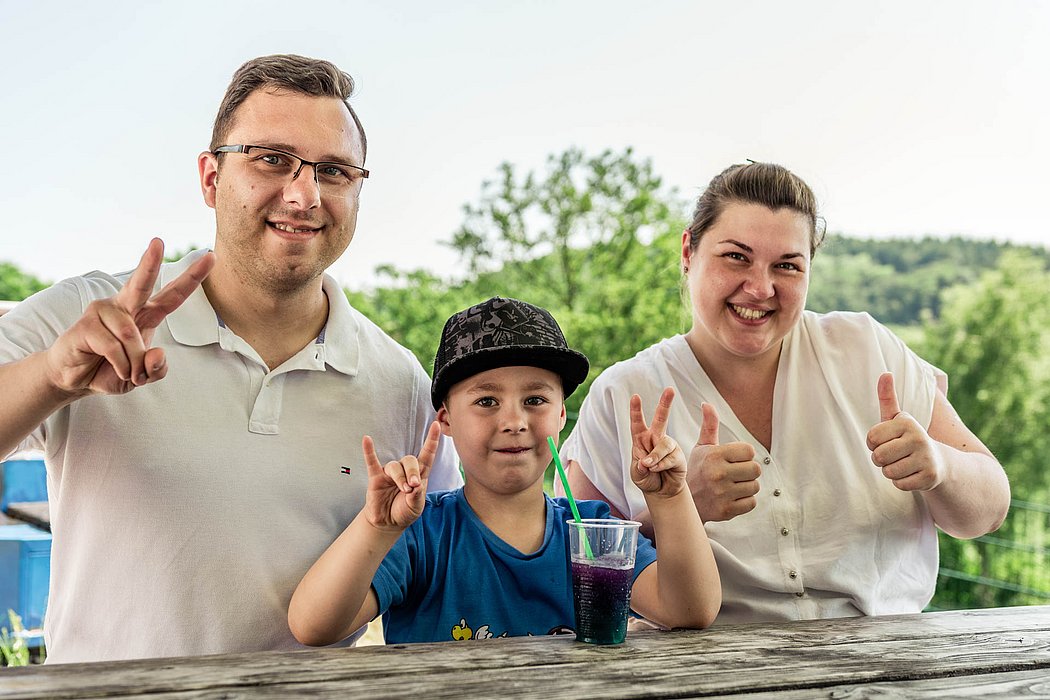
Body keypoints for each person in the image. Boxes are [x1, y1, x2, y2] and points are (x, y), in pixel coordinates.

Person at [0, 54, 462, 662]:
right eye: (271, 159)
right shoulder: (89, 315)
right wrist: (52, 378)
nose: (304, 195)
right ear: (210, 177)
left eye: (334, 170)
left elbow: (452, 549)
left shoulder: (399, 382)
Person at [558, 161, 1010, 624]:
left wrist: (940, 465)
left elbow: (988, 512)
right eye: (736, 256)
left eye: (787, 266)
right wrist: (679, 508)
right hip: (703, 667)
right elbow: (570, 559)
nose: (760, 288)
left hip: (887, 657)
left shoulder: (867, 348)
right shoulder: (623, 392)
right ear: (688, 251)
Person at [287, 296, 720, 644]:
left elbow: (689, 610)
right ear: (446, 420)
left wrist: (669, 497)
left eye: (535, 400)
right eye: (486, 401)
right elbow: (314, 626)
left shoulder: (592, 532)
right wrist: (376, 528)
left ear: (560, 416)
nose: (514, 421)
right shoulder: (421, 533)